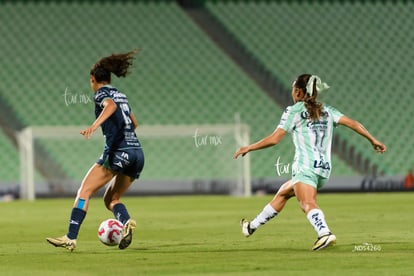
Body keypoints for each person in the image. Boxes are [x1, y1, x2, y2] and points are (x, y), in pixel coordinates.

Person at [233, 74, 386, 251]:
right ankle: (251, 227)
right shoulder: (327, 110)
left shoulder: (294, 111)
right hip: (323, 170)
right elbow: (353, 123)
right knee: (284, 192)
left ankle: (324, 234)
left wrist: (248, 147)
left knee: (307, 203)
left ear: (298, 91)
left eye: (293, 89)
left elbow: (275, 139)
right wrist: (372, 140)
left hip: (305, 167)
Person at [47, 50, 145, 251]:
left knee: (84, 192)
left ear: (93, 80)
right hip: (136, 153)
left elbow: (110, 107)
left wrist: (94, 126)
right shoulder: (121, 94)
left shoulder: (102, 93)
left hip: (118, 153)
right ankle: (126, 222)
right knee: (111, 199)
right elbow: (134, 123)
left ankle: (70, 237)